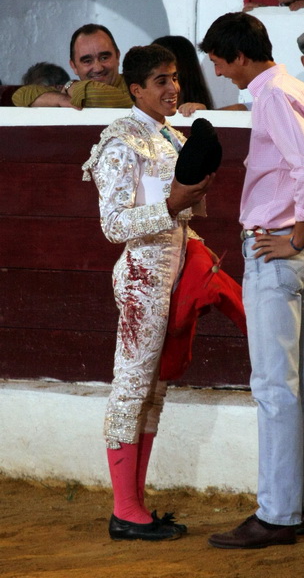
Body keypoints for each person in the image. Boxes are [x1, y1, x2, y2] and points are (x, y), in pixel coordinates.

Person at [199, 12, 304, 549]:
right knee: (303, 382)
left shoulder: (274, 96)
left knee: (274, 387)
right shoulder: (301, 93)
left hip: (278, 246)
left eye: (217, 58)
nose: (214, 68)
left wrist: (299, 237)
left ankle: (278, 514)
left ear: (238, 55)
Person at [81, 44, 215, 541]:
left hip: (171, 271)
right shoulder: (121, 143)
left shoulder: (169, 138)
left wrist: (190, 201)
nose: (172, 87)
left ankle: (133, 506)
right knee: (132, 388)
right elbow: (113, 225)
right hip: (141, 276)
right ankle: (124, 509)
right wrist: (176, 202)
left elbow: (182, 212)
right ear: (135, 89)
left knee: (153, 393)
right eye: (160, 80)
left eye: (175, 77)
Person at [12, 24, 133, 109]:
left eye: (104, 58)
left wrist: (72, 87)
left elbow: (94, 95)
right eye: (87, 61)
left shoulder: (137, 87)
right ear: (74, 66)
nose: (98, 68)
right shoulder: (72, 94)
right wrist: (61, 99)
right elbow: (20, 95)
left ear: (117, 56)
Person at [152, 35, 214, 111]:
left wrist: (202, 114)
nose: (173, 89)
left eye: (174, 79)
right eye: (161, 82)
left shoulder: (198, 111)